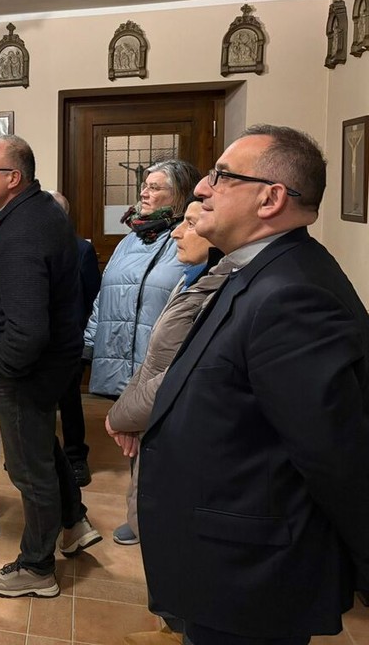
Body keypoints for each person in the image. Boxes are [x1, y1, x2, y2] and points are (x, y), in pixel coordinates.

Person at [139, 125, 369, 645]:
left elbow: (334, 455)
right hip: (225, 561)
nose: (202, 188)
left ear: (270, 198)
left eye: (222, 176)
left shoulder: (292, 295)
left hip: (249, 573)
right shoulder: (258, 268)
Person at [0, 136, 101, 599]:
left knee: (28, 470)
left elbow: (27, 330)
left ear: (13, 178)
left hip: (26, 372)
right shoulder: (38, 211)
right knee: (43, 449)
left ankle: (37, 568)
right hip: (46, 367)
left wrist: (1, 370)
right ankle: (74, 522)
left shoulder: (22, 229)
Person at [104, 198, 227, 548]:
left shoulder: (216, 289)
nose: (175, 233)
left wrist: (119, 417)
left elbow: (179, 371)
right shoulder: (192, 278)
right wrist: (129, 414)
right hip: (152, 406)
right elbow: (155, 357)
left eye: (190, 224)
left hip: (176, 416)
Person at [84, 160, 201, 400]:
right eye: (144, 186)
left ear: (180, 195)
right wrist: (89, 343)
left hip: (163, 370)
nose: (144, 193)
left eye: (154, 188)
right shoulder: (130, 239)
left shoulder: (191, 240)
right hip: (115, 365)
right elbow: (103, 297)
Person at [50, 190, 101, 486]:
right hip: (35, 338)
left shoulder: (82, 249)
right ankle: (42, 453)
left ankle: (76, 457)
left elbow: (93, 296)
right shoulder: (28, 246)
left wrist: (84, 337)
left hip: (69, 339)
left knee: (70, 401)